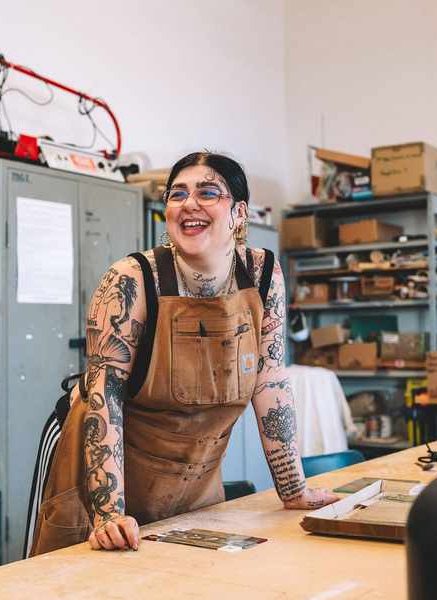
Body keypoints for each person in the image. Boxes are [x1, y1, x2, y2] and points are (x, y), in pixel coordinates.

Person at [28, 152, 337, 556]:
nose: (189, 204)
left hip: (194, 476)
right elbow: (106, 395)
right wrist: (108, 514)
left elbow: (270, 381)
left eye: (208, 192)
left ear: (239, 213)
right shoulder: (131, 279)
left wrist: (293, 488)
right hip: (96, 474)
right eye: (178, 194)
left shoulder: (262, 275)